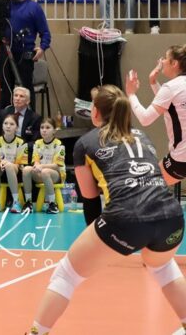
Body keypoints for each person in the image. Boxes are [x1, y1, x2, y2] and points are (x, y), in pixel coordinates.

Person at [26, 85, 186, 335]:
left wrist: (96, 240)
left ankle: (36, 333)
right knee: (164, 267)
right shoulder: (142, 136)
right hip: (171, 217)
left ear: (95, 113)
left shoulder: (86, 143)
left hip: (126, 218)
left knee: (66, 274)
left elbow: (90, 197)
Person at [125, 44, 186, 185]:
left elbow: (145, 119)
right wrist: (153, 82)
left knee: (148, 187)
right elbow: (171, 105)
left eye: (165, 58)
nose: (162, 61)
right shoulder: (173, 88)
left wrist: (131, 94)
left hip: (182, 158)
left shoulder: (171, 87)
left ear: (174, 63)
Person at [2, 0, 50, 111]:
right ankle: (6, 119)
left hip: (24, 54)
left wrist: (42, 48)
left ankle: (29, 120)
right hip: (5, 53)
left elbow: (45, 32)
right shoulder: (5, 6)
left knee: (25, 89)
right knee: (5, 88)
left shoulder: (34, 7)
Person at [0, 114, 28, 213]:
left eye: (12, 124)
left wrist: (8, 163)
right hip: (1, 171)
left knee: (9, 166)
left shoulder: (21, 142)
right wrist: (1, 163)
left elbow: (20, 164)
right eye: (6, 123)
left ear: (16, 127)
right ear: (2, 126)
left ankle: (16, 202)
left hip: (16, 172)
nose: (8, 126)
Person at [22, 117, 64, 215]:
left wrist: (42, 166)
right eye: (42, 127)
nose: (44, 130)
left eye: (48, 127)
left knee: (45, 172)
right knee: (26, 169)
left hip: (56, 175)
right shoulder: (37, 143)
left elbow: (57, 165)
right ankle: (28, 202)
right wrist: (37, 166)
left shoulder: (59, 144)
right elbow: (36, 161)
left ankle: (52, 204)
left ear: (54, 130)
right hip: (40, 173)